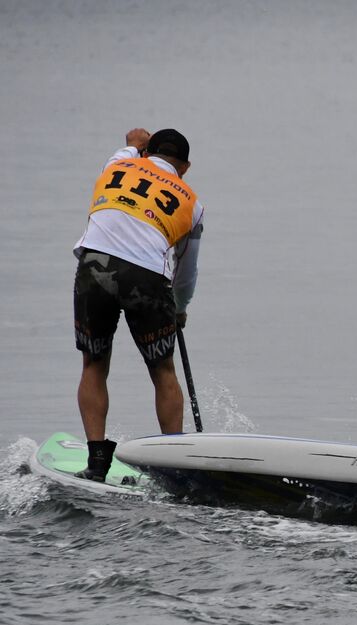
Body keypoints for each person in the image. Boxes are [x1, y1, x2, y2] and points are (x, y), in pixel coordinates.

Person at [72, 127, 204, 481]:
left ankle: (97, 464)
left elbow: (128, 147)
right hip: (146, 278)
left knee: (94, 364)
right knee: (163, 372)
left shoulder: (117, 165)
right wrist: (179, 309)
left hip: (95, 266)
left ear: (146, 154)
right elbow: (186, 272)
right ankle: (175, 469)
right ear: (185, 167)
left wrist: (133, 145)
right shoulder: (192, 205)